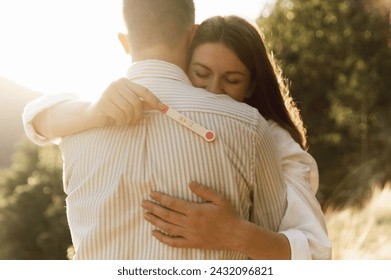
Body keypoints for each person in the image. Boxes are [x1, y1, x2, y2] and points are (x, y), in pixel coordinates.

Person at [23, 0, 289, 259]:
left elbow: (34, 119)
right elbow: (278, 246)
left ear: (124, 41)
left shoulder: (75, 129)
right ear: (192, 35)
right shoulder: (250, 127)